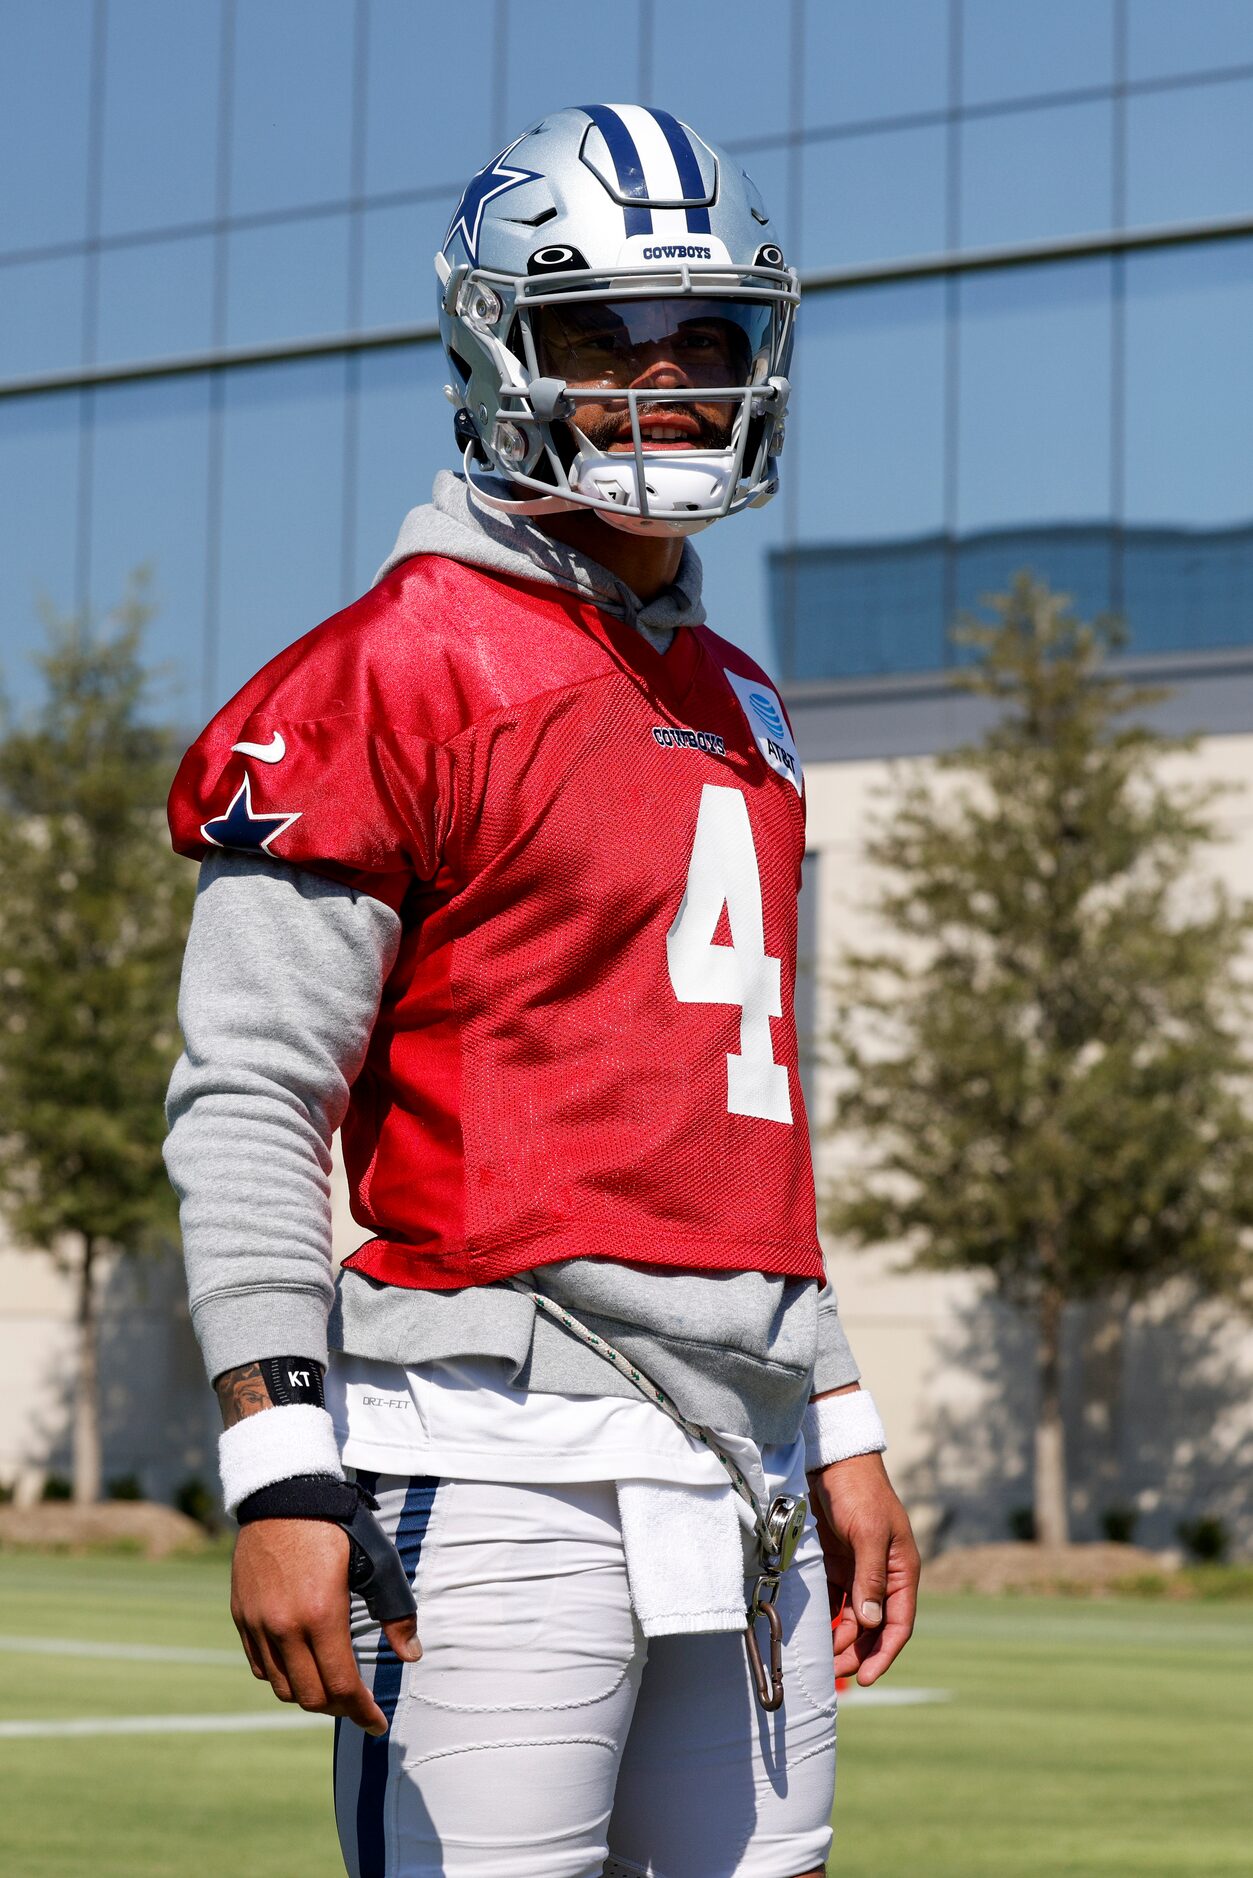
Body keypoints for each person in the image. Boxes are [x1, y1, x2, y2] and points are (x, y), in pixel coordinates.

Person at [165, 103, 920, 1878]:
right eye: (600, 337)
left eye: (703, 338)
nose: (660, 382)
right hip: (487, 1451)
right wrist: (276, 1459)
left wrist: (841, 1415)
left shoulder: (743, 699)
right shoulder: (391, 666)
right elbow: (253, 1090)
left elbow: (729, 1107)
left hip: (739, 1465)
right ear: (501, 352)